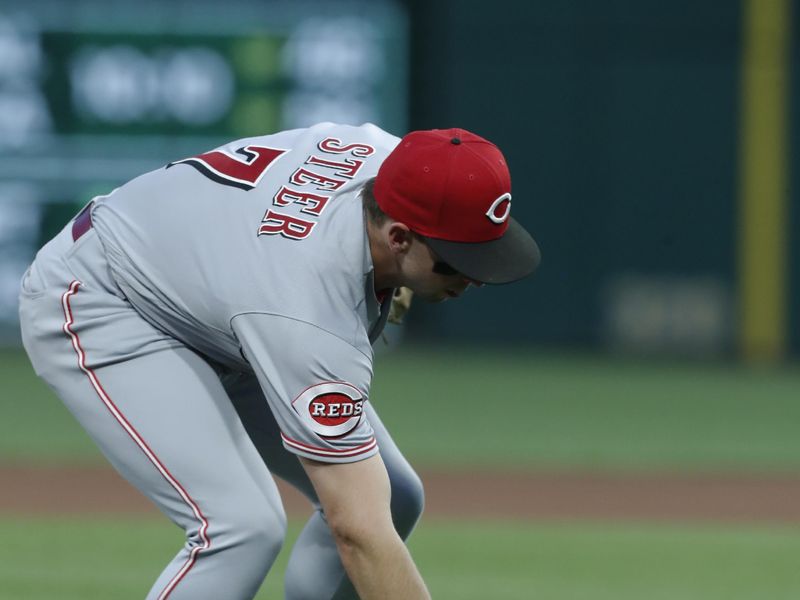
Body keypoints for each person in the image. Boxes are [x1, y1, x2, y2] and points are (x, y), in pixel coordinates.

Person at [18, 122, 540, 600]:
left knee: (396, 495)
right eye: (456, 260)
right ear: (397, 237)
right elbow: (357, 531)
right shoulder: (308, 316)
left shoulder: (391, 164)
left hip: (215, 300)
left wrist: (405, 274)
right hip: (104, 297)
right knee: (240, 528)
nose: (474, 277)